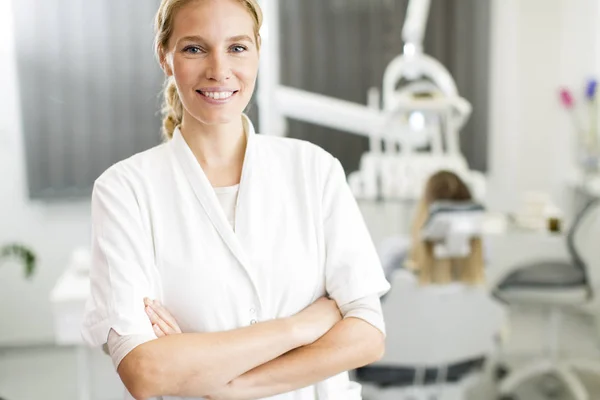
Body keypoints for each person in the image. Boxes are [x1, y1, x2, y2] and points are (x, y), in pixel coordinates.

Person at [81, 0, 390, 399]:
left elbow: (367, 334)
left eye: (237, 47)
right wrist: (299, 327)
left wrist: (228, 385)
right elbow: (146, 370)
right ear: (165, 57)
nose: (218, 70)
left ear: (258, 50)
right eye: (194, 48)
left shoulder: (314, 170)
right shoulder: (124, 190)